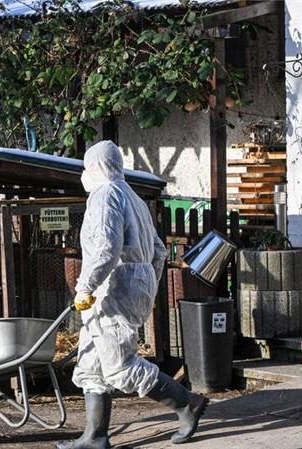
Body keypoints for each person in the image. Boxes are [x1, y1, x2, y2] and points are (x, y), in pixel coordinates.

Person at [57, 141, 208, 449]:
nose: (85, 175)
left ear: (96, 167)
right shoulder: (133, 198)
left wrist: (86, 285)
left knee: (119, 366)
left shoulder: (104, 195)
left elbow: (104, 249)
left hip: (112, 288)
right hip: (130, 284)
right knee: (91, 364)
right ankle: (94, 436)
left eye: (87, 168)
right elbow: (158, 250)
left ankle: (186, 403)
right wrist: (146, 282)